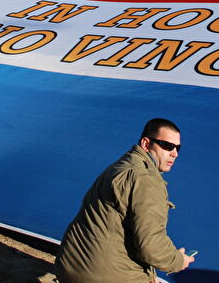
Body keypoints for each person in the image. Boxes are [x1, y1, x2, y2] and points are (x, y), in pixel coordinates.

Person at [55, 118, 194, 283]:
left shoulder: (121, 165)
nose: (174, 153)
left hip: (70, 266)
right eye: (167, 145)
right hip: (101, 276)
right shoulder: (146, 179)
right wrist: (178, 261)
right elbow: (151, 246)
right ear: (146, 143)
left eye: (178, 148)